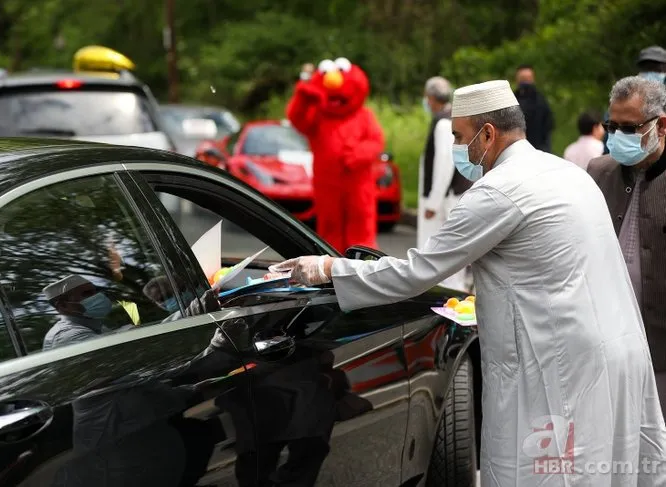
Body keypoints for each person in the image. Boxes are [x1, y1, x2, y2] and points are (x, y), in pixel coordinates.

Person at [271, 79, 666, 486]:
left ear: (488, 133)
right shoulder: (566, 173)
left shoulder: (498, 191)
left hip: (559, 369)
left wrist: (328, 270)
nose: (459, 148)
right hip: (615, 355)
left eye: (460, 137)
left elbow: (415, 272)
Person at [586, 76, 666, 419]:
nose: (618, 137)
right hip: (607, 343)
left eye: (630, 128)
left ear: (661, 125)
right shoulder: (598, 173)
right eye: (612, 126)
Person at [286, 58, 384, 252]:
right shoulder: (318, 116)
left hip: (358, 184)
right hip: (327, 185)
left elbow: (376, 142)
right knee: (329, 225)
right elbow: (297, 120)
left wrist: (356, 155)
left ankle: (363, 259)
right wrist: (303, 98)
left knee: (360, 222)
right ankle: (331, 259)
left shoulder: (364, 116)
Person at [418, 76, 472, 291]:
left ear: (431, 98)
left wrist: (433, 202)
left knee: (440, 252)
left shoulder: (443, 122)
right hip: (449, 196)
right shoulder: (450, 118)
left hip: (444, 200)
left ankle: (447, 295)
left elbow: (445, 163)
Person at [603, 45, 666, 154]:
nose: (651, 73)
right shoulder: (624, 98)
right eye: (646, 68)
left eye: (657, 68)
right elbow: (609, 140)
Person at [514, 64, 554, 152]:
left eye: (527, 79)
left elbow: (548, 125)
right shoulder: (512, 100)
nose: (525, 82)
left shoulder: (541, 101)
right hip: (517, 151)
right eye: (523, 79)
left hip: (538, 150)